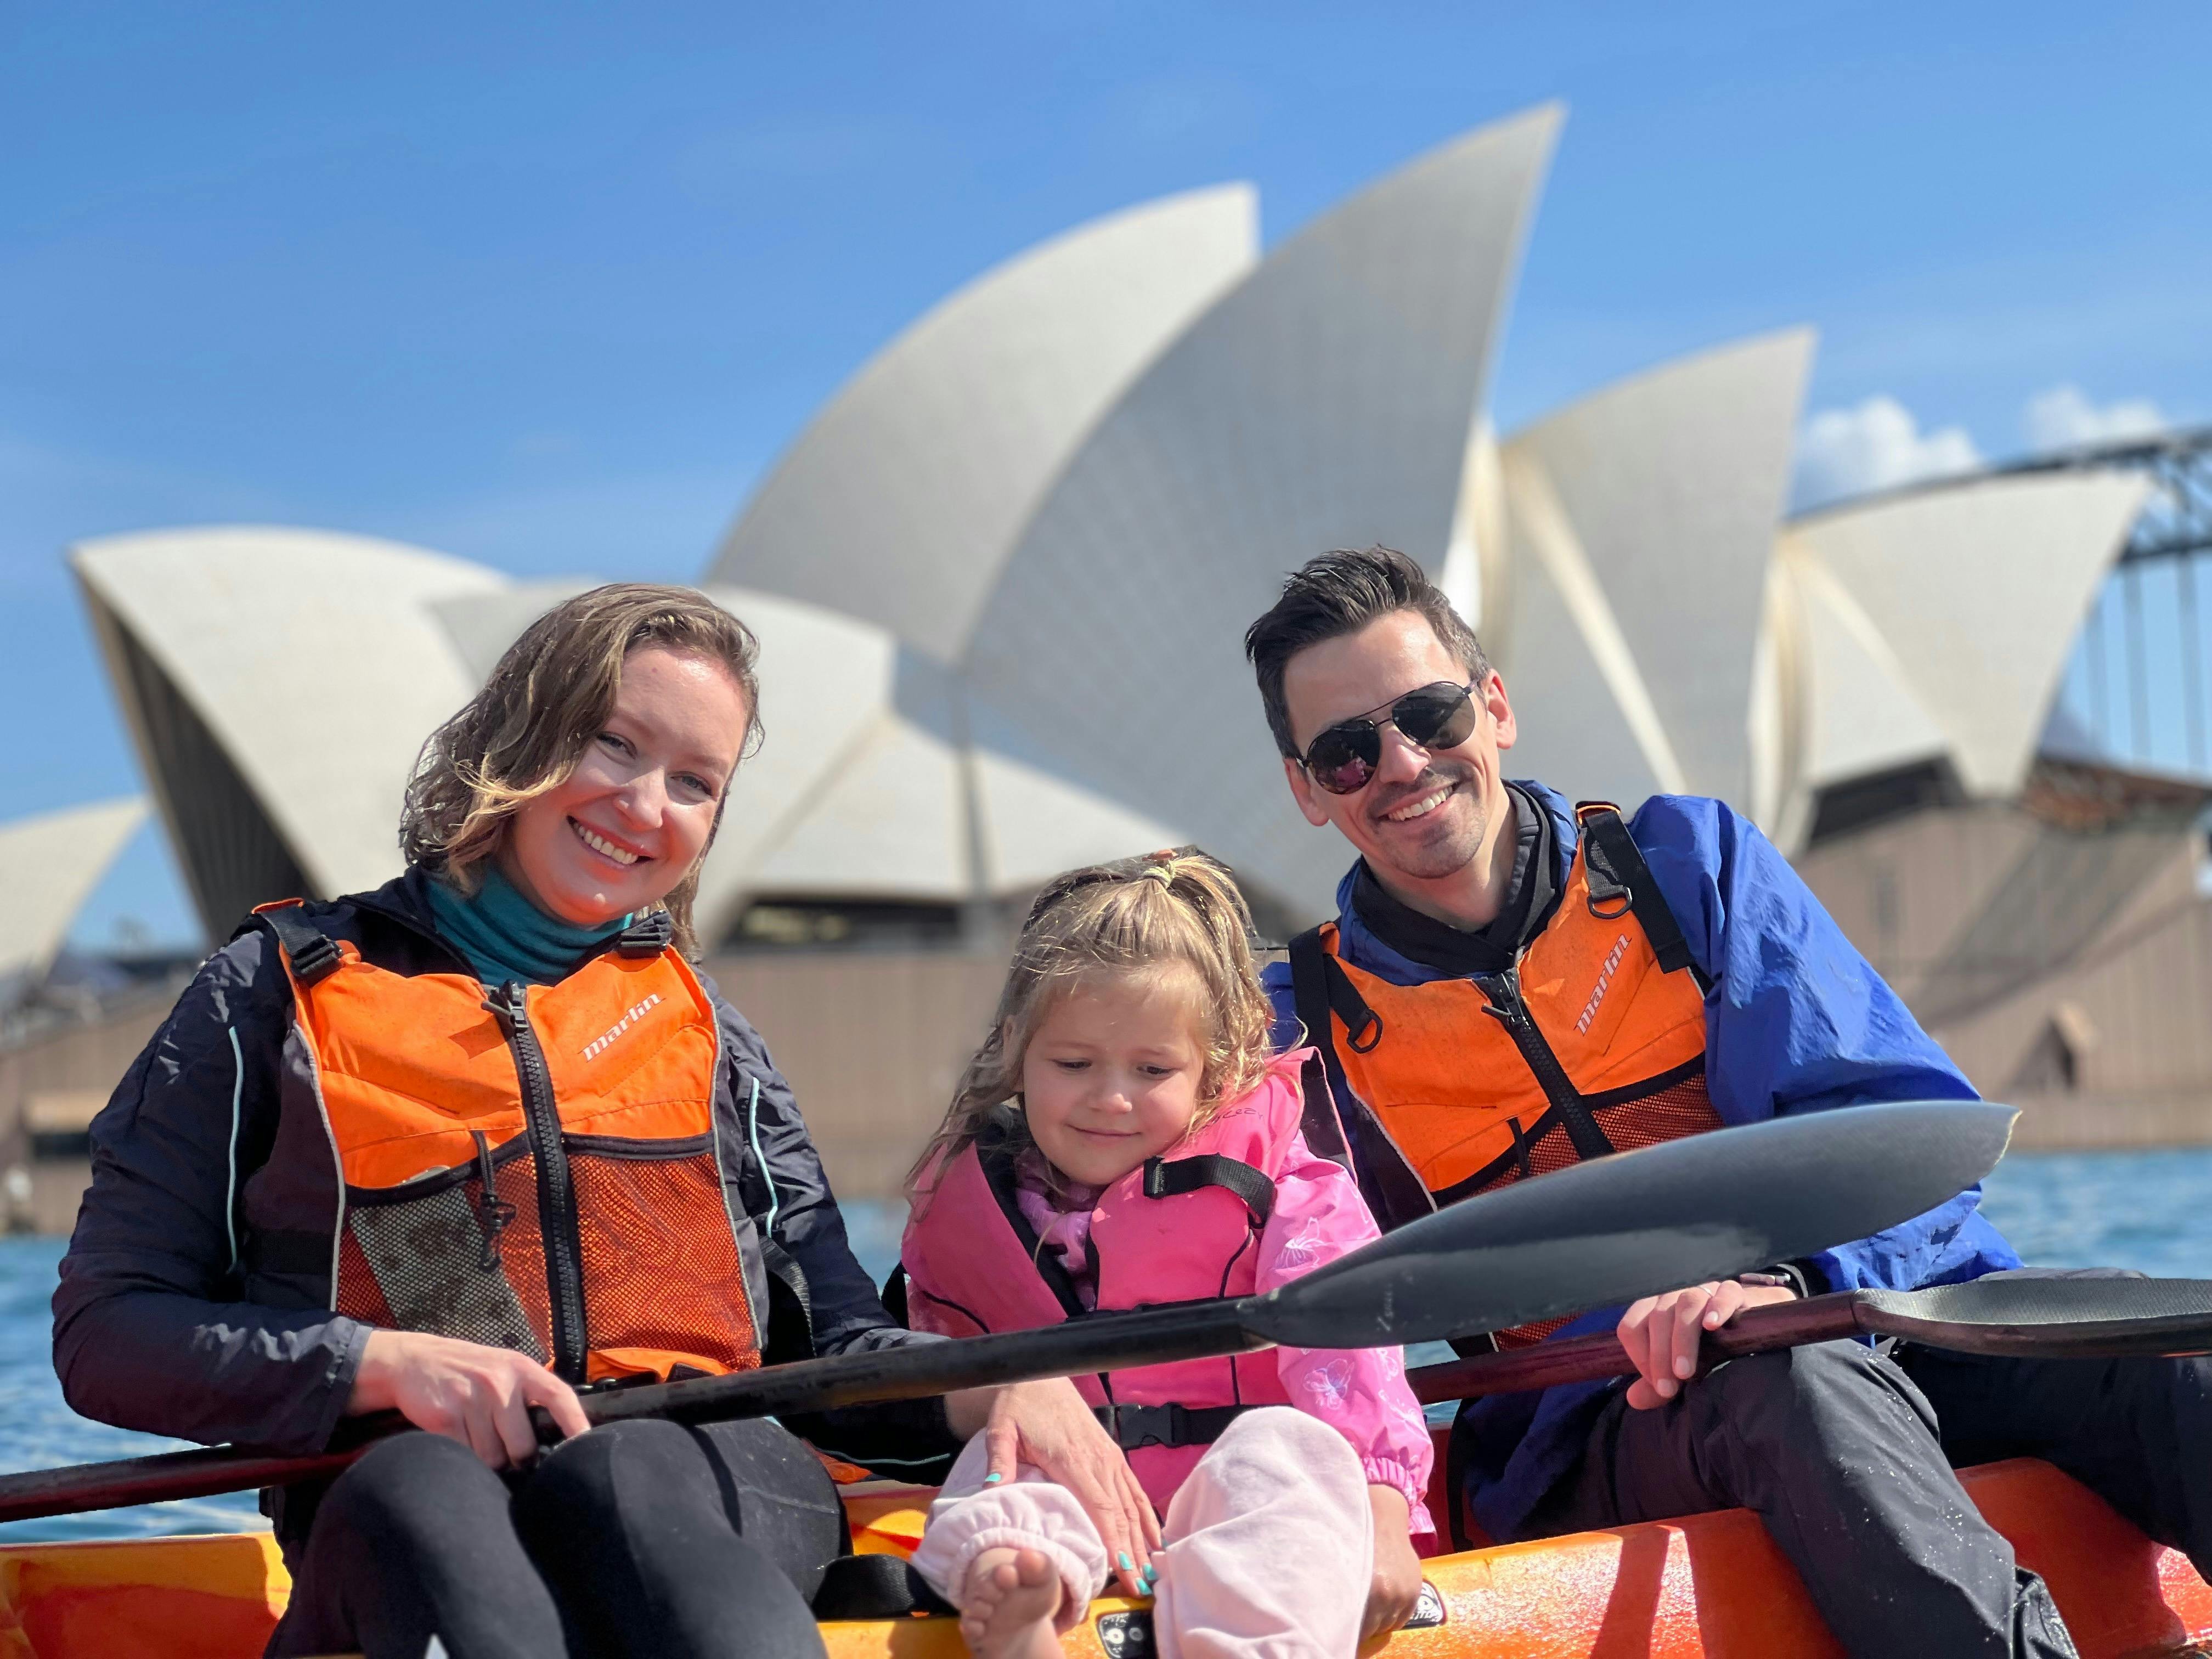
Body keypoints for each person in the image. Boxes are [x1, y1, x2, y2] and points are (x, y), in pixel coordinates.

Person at [53, 585, 1160, 1659]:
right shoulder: (266, 999)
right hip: (402, 1497)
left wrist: (994, 1378)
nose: (645, 806)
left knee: (621, 1469)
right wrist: (379, 1366)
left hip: (705, 1488)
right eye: (615, 745)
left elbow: (832, 1347)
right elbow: (108, 1336)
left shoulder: (709, 1037)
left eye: (695, 781)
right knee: (411, 1484)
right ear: (518, 737)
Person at [1239, 545, 2212, 1659]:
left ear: (1494, 705)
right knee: (1792, 1380)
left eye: (1430, 712)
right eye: (1349, 752)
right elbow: (1161, 1226)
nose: (1404, 764)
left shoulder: (1687, 867)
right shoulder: (1295, 1030)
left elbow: (1896, 1137)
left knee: (2153, 1340)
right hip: (1591, 1423)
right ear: (1308, 791)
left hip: (1869, 1315)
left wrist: (1786, 1281)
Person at [895, 851, 1434, 1659]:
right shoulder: (962, 1208)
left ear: (1213, 1069)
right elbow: (932, 1380)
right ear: (1014, 1048)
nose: (1110, 1098)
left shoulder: (1285, 1182)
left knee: (1287, 1453)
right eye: (1073, 1064)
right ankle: (1019, 1594)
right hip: (1082, 1497)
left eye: (1153, 1070)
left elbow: (1350, 1354)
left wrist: (1385, 1515)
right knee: (999, 1456)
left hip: (1237, 1500)